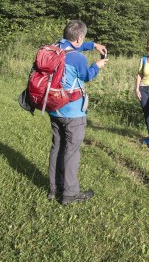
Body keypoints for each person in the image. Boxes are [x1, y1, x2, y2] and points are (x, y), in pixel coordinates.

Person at [48, 20, 107, 205]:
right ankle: (70, 194)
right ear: (79, 38)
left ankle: (53, 189)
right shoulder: (78, 59)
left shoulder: (55, 48)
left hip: (54, 108)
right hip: (73, 113)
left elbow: (73, 49)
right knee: (71, 152)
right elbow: (87, 75)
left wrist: (92, 45)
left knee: (57, 148)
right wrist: (97, 65)